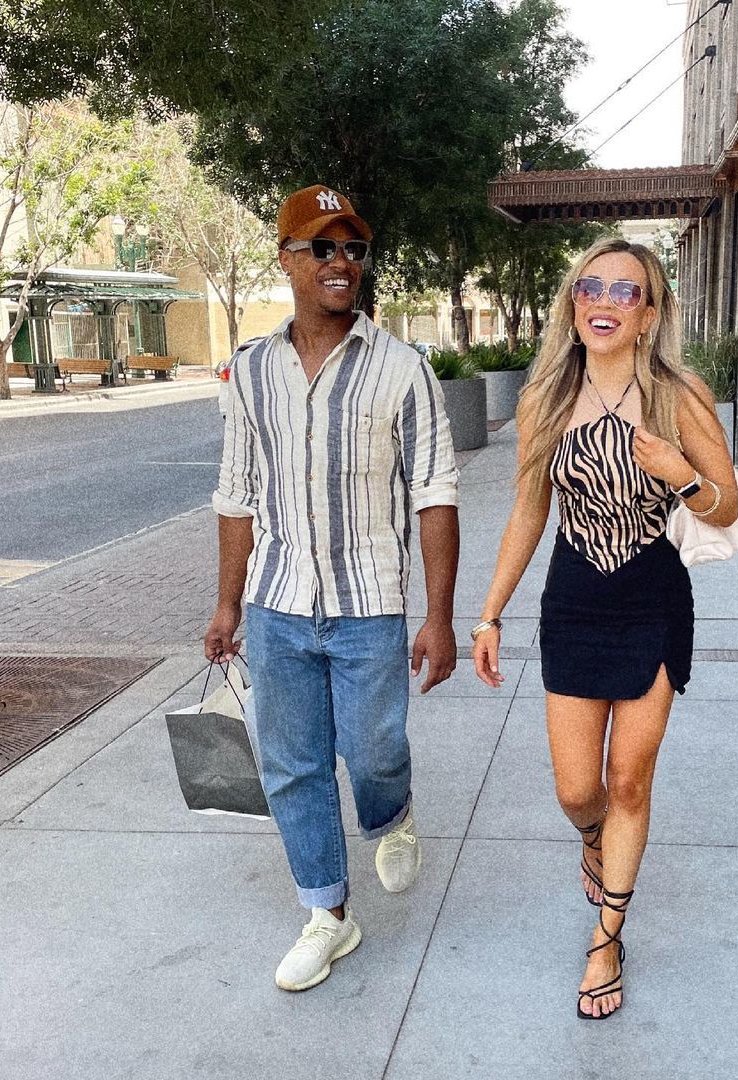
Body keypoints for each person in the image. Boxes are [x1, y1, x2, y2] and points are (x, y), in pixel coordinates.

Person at [472, 238, 738, 1019]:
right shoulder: (545, 400)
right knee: (577, 790)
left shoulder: (681, 397)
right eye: (591, 287)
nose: (604, 302)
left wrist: (682, 477)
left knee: (628, 782)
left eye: (626, 292)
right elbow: (529, 512)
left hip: (653, 599)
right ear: (573, 303)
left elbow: (725, 506)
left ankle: (607, 939)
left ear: (649, 315)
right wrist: (489, 613)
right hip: (574, 603)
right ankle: (593, 838)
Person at [204, 184, 460, 993]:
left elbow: (435, 493)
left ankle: (393, 811)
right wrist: (227, 603)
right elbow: (236, 494)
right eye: (321, 247)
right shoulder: (250, 372)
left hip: (367, 604)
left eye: (352, 248)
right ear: (287, 260)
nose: (340, 262)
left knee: (374, 751)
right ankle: (327, 914)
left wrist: (440, 616)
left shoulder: (403, 369)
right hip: (277, 602)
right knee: (293, 766)